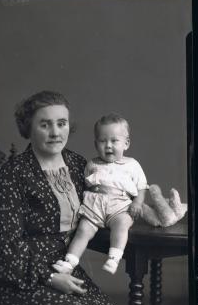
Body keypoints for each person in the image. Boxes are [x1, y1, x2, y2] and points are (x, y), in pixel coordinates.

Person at [0, 91, 125, 305]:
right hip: (19, 276)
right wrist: (49, 277)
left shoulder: (79, 165)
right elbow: (5, 246)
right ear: (29, 129)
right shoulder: (12, 175)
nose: (55, 132)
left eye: (62, 123)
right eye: (45, 124)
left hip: (66, 267)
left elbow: (104, 202)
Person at [54, 113, 147, 275]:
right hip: (94, 206)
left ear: (126, 143)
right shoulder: (92, 164)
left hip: (119, 206)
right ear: (96, 144)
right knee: (83, 230)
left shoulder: (132, 164)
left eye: (114, 141)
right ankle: (69, 262)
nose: (108, 146)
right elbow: (85, 186)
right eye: (103, 141)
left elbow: (141, 186)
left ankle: (114, 257)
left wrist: (137, 203)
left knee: (122, 224)